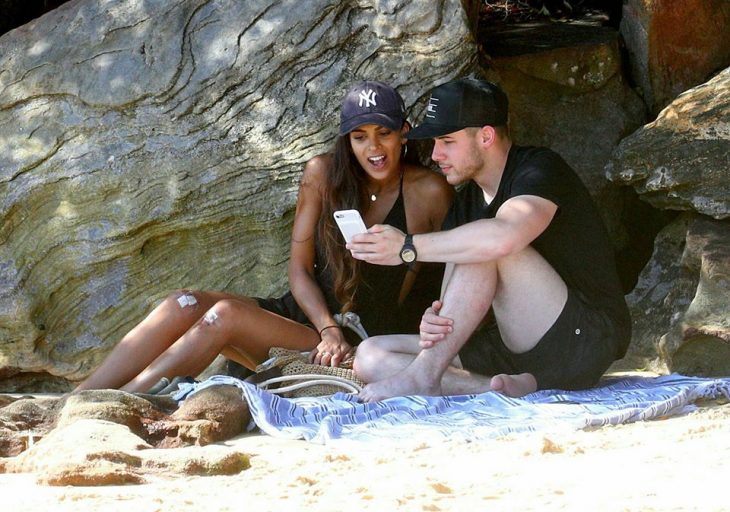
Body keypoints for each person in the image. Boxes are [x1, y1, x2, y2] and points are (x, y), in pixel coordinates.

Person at [75, 81, 454, 393]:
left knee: (223, 316)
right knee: (184, 303)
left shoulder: (429, 192)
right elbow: (299, 271)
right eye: (360, 136)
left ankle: (121, 401)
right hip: (310, 321)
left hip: (359, 338)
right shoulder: (323, 174)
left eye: (383, 133)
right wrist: (326, 327)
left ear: (404, 132)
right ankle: (78, 400)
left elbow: (448, 273)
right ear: (347, 140)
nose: (373, 148)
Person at [348, 78, 631, 402]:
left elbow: (504, 237)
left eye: (447, 141)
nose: (436, 154)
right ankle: (497, 388)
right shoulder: (466, 203)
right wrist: (435, 321)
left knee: (486, 245)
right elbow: (459, 306)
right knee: (370, 355)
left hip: (582, 338)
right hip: (513, 348)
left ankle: (424, 378)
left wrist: (407, 247)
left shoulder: (540, 169)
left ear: (485, 136)